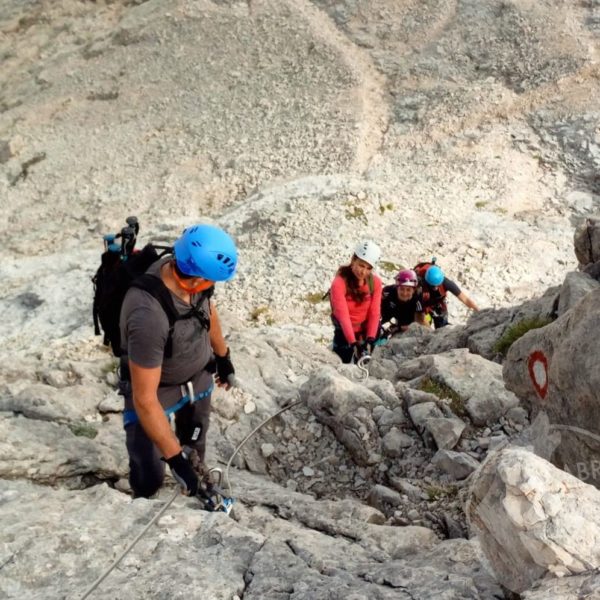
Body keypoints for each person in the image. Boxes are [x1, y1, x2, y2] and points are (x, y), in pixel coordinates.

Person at [119, 224, 237, 499]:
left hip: (197, 381)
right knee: (148, 476)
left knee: (194, 446)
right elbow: (145, 399)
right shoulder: (147, 314)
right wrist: (174, 460)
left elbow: (207, 311)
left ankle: (192, 470)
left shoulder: (186, 273)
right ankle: (146, 492)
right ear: (196, 278)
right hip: (156, 392)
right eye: (209, 281)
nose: (212, 286)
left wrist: (223, 357)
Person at [330, 240, 383, 363]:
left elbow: (374, 313)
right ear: (353, 260)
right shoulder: (339, 283)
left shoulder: (375, 283)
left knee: (368, 362)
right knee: (343, 362)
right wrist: (353, 342)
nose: (363, 272)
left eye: (368, 268)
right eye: (361, 265)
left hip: (365, 329)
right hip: (344, 330)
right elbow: (342, 315)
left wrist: (370, 339)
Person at [416, 263, 479, 329]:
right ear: (427, 282)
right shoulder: (420, 288)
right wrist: (431, 333)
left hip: (439, 305)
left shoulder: (445, 282)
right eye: (433, 286)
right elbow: (420, 316)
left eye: (437, 285)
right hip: (424, 308)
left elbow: (465, 299)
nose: (436, 288)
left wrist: (478, 312)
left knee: (443, 327)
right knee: (425, 327)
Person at [380, 269, 426, 336]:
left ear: (413, 290)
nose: (404, 293)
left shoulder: (417, 300)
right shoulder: (388, 292)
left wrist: (399, 328)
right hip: (388, 315)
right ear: (397, 288)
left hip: (407, 321)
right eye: (401, 289)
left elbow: (418, 324)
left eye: (408, 290)